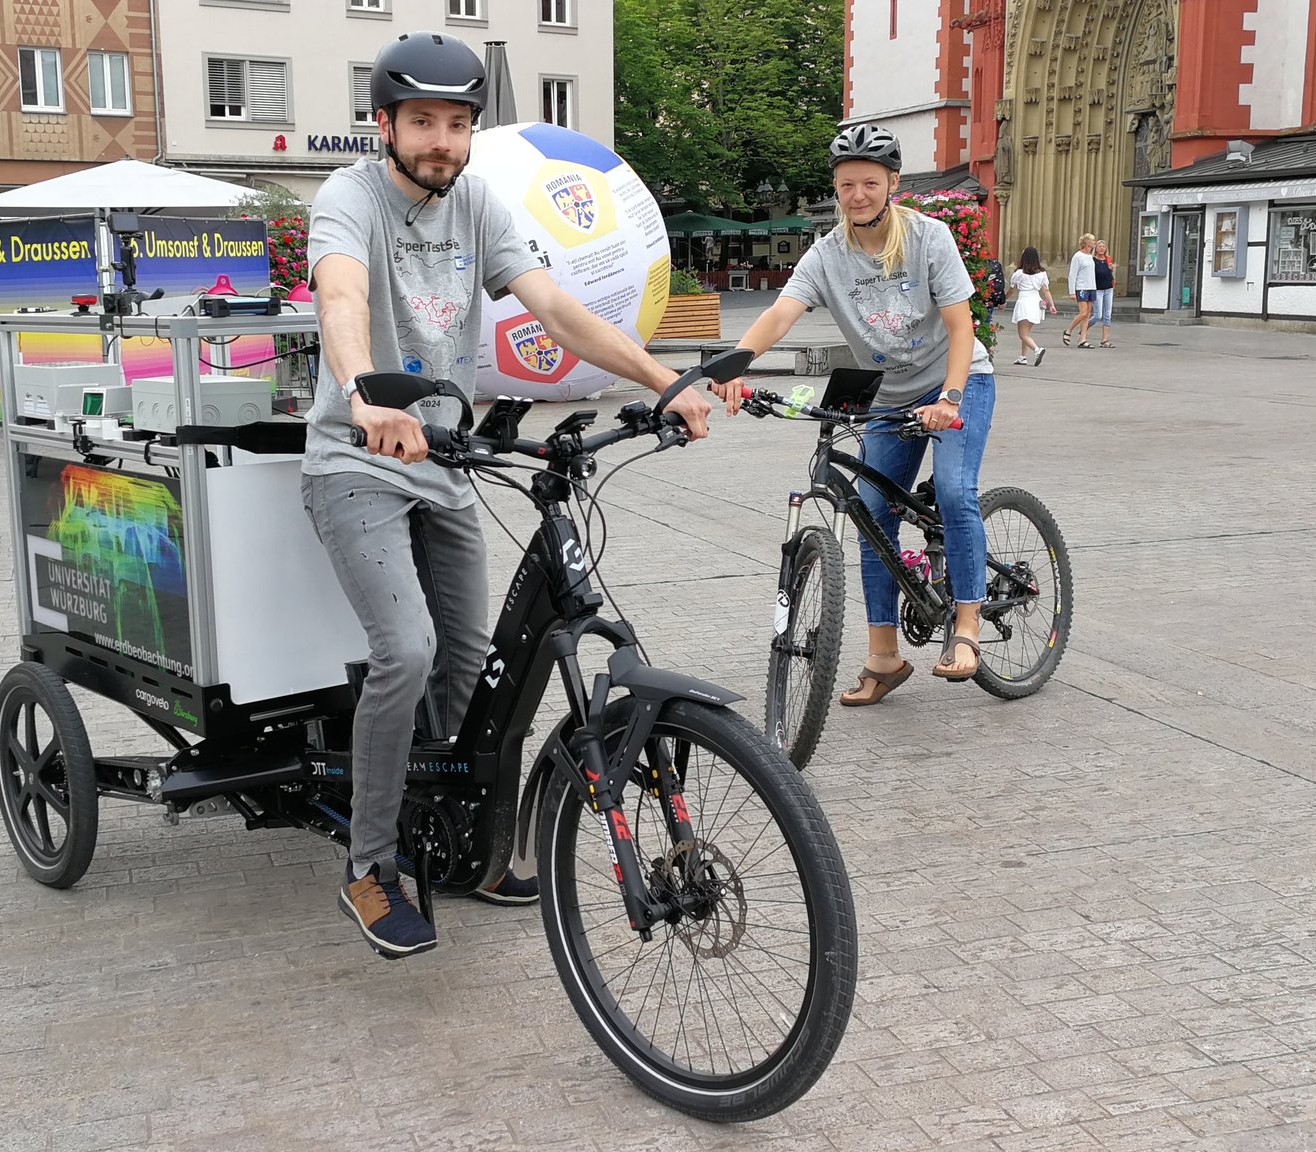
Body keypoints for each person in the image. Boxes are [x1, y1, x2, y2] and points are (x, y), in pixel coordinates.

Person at [304, 28, 714, 959]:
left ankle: (466, 843)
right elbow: (339, 296)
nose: (441, 140)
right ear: (385, 125)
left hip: (444, 462)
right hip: (356, 459)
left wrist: (664, 381)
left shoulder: (479, 203)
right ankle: (370, 865)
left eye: (457, 123)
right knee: (405, 652)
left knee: (476, 667)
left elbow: (559, 308)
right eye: (422, 123)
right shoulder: (348, 197)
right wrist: (367, 394)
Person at [709, 123, 996, 704]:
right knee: (871, 513)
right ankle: (884, 655)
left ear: (892, 183)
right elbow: (780, 315)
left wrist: (950, 399)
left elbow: (961, 325)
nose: (858, 194)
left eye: (869, 182)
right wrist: (733, 367)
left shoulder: (928, 238)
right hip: (887, 395)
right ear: (836, 190)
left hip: (955, 382)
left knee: (954, 490)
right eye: (847, 185)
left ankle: (967, 625)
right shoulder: (827, 254)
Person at [1008, 247, 1057, 366]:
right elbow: (1046, 291)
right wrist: (1051, 305)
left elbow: (1011, 289)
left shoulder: (1019, 273)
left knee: (1022, 334)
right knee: (1026, 332)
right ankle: (1023, 356)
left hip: (1024, 301)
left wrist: (1003, 299)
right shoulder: (1042, 273)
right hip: (1036, 301)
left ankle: (1037, 350)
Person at [1063, 233, 1096, 347]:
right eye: (1092, 240)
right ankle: (1068, 331)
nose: (1094, 242)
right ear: (1086, 242)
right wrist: (1072, 291)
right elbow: (1072, 274)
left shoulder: (1090, 256)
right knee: (1083, 312)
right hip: (1081, 287)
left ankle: (1083, 339)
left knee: (1087, 314)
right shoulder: (1078, 256)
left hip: (1091, 287)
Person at [1092, 240, 1116, 348]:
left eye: (1103, 246)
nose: (1102, 248)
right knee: (1098, 315)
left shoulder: (1108, 259)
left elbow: (1111, 273)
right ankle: (1083, 330)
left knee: (1107, 315)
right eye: (1099, 246)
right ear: (1095, 248)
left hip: (1108, 289)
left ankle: (1105, 340)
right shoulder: (1092, 260)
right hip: (1098, 290)